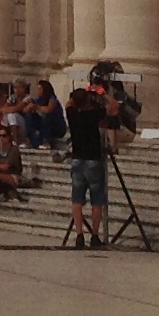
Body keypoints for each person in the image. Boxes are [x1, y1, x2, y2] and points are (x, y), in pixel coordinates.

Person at [64, 82, 110, 249]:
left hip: (77, 159)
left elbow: (69, 103)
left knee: (77, 199)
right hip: (93, 159)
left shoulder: (71, 114)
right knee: (96, 200)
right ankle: (95, 235)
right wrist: (101, 93)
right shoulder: (94, 114)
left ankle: (79, 235)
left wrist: (79, 96)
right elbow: (114, 108)